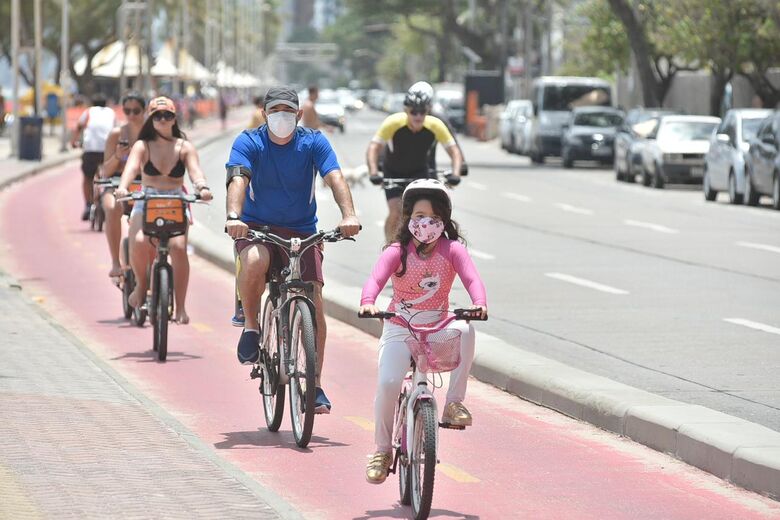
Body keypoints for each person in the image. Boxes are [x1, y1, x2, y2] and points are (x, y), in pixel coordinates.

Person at [225, 85, 361, 414]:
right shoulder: (249, 141)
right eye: (275, 111)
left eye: (288, 111)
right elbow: (238, 180)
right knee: (255, 261)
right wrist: (233, 216)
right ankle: (252, 327)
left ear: (299, 115)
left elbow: (335, 177)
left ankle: (314, 386)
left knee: (313, 301)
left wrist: (349, 214)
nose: (281, 117)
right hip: (257, 228)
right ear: (264, 113)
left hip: (302, 232)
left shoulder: (313, 142)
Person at [359, 179, 487, 484]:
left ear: (443, 219)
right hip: (399, 324)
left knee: (466, 330)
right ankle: (381, 450)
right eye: (418, 216)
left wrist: (479, 302)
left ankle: (453, 403)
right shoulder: (397, 250)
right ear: (408, 218)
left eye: (432, 217)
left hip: (437, 326)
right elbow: (375, 280)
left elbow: (472, 279)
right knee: (389, 382)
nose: (425, 223)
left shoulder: (453, 249)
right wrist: (368, 302)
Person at [114, 96, 213, 324]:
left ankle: (180, 307)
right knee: (138, 241)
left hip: (176, 201)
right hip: (147, 200)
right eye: (157, 115)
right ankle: (140, 286)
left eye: (167, 115)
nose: (162, 119)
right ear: (150, 118)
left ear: (174, 118)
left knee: (178, 248)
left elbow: (195, 171)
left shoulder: (184, 146)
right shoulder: (142, 145)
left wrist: (202, 187)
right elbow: (130, 169)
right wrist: (122, 187)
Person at [366, 81, 463, 242]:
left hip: (419, 172)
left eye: (422, 111)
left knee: (426, 212)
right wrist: (374, 172)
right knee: (397, 211)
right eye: (413, 112)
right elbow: (373, 148)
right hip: (393, 172)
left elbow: (454, 151)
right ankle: (390, 247)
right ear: (406, 110)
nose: (418, 116)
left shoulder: (435, 125)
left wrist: (456, 173)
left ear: (428, 111)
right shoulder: (393, 122)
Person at [100, 92, 146, 279]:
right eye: (127, 111)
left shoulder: (152, 134)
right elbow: (105, 171)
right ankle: (115, 262)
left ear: (144, 111)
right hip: (117, 183)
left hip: (145, 183)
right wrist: (118, 156)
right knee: (111, 208)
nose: (132, 115)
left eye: (136, 111)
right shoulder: (116, 134)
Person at [71, 93, 116, 220]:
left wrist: (73, 142)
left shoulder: (89, 112)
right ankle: (109, 199)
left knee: (87, 178)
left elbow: (78, 127)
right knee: (110, 177)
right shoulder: (111, 113)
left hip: (90, 150)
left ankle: (87, 205)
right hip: (108, 151)